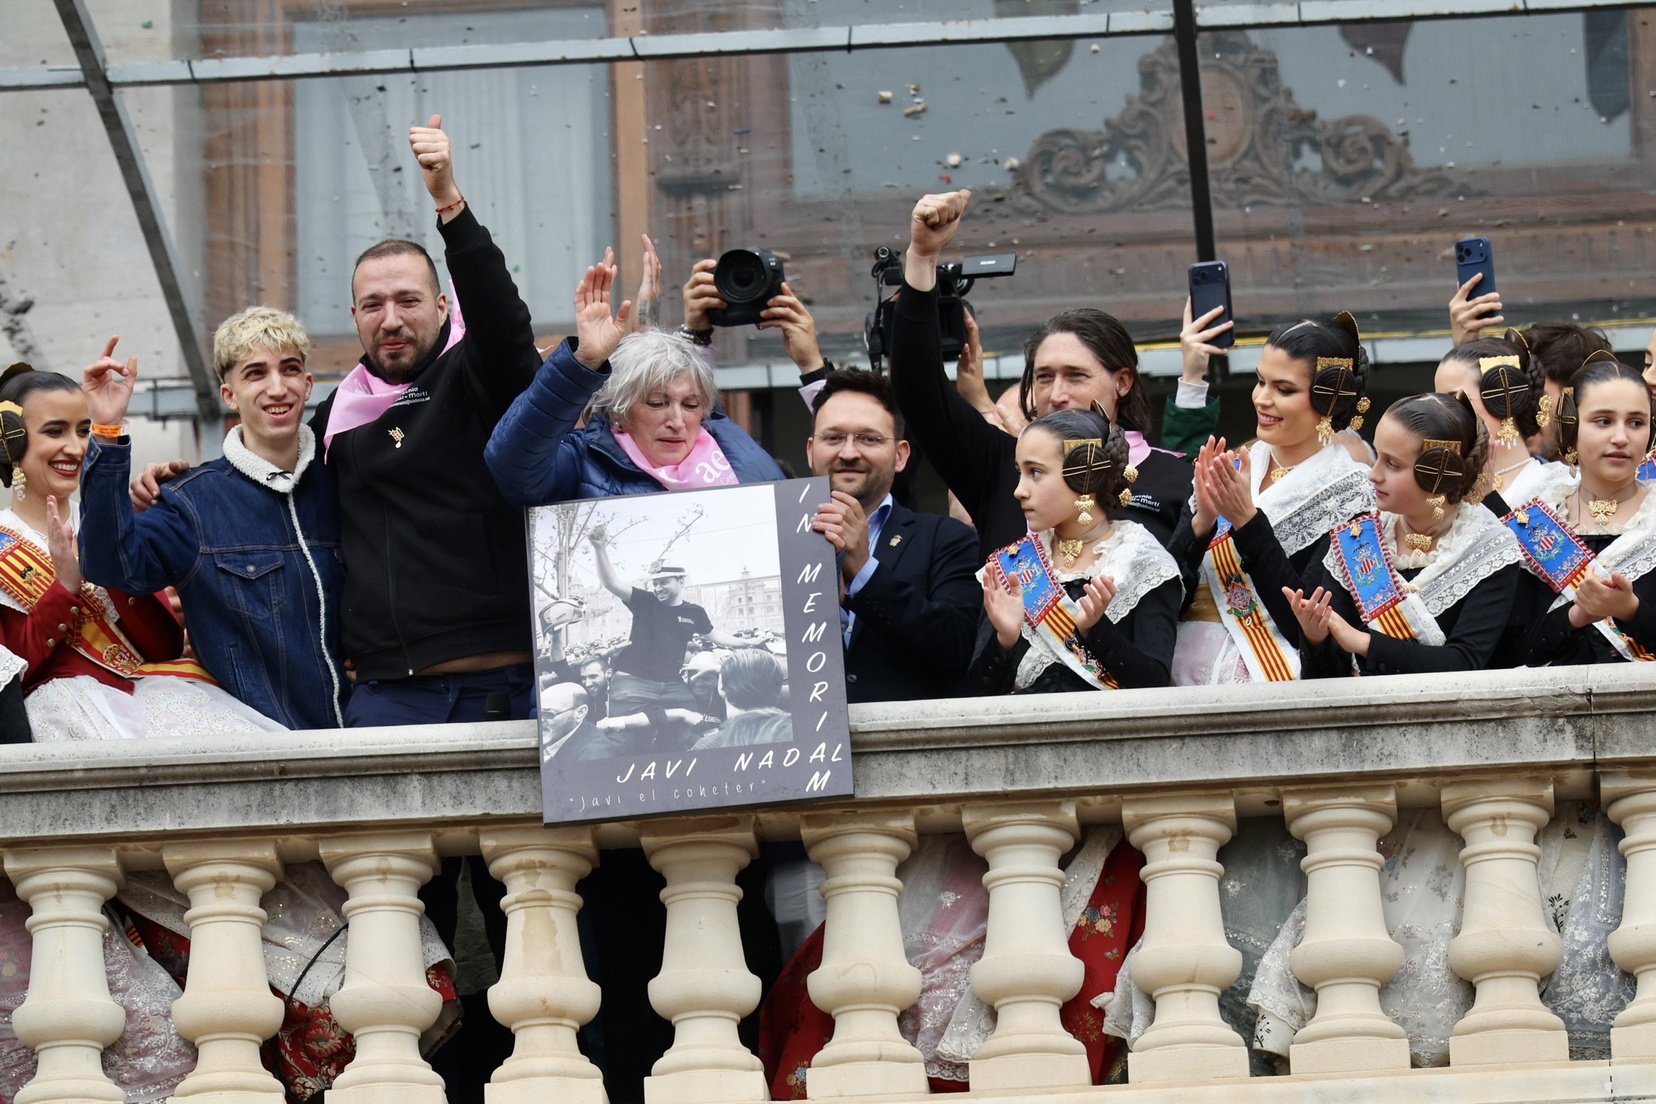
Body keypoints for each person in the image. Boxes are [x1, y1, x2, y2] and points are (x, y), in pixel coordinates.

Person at [314, 114, 543, 727]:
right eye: (373, 305)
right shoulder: (334, 415)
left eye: (409, 301)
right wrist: (173, 486)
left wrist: (448, 200)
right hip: (391, 694)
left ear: (443, 307)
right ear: (355, 316)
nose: (391, 319)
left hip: (508, 686)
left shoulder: (479, 373)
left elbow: (504, 323)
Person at [888, 190, 1207, 559]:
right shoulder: (998, 466)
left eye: (1076, 376)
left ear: (1122, 382)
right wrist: (922, 257)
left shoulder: (1176, 479)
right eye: (1043, 377)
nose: (1057, 394)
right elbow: (917, 388)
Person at [78, 314, 347, 730]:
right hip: (262, 751)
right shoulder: (192, 501)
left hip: (368, 735)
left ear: (308, 384)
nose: (278, 387)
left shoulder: (348, 481)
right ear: (228, 394)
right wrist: (107, 432)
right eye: (255, 374)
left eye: (289, 369)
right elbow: (108, 564)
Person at [1165, 313, 1376, 685]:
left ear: (1328, 399)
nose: (1262, 398)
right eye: (1260, 381)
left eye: (1284, 389)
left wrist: (1247, 523)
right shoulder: (1231, 466)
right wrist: (1199, 525)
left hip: (1270, 675)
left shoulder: (1354, 495)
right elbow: (1166, 598)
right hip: (1180, 668)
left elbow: (1313, 622)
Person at [486, 251, 784, 504]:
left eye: (691, 405)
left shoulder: (738, 452)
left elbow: (796, 549)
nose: (678, 422)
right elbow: (512, 463)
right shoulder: (583, 462)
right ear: (619, 410)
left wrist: (831, 542)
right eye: (657, 403)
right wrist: (584, 362)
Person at [1285, 392, 1524, 676]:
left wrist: (1363, 642)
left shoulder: (1491, 547)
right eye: (1378, 457)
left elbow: (1465, 662)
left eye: (1392, 464)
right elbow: (1328, 679)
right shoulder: (1356, 536)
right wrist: (1315, 637)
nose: (1373, 474)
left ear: (1439, 475)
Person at [971, 406, 1181, 694]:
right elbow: (971, 699)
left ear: (1085, 476)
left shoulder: (1143, 563)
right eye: (1020, 473)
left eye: (1035, 472)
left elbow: (1156, 685)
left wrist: (1096, 631)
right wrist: (1004, 641)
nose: (1019, 490)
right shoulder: (1013, 564)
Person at [805, 369, 980, 702]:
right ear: (811, 449)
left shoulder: (947, 539)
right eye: (834, 438)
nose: (849, 452)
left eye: (869, 439)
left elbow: (960, 649)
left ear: (900, 455)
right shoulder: (775, 538)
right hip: (809, 747)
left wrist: (863, 571)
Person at [1512, 353, 1656, 666]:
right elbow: (1510, 651)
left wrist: (1629, 609)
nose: (1620, 438)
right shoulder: (1533, 521)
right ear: (1571, 425)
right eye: (1603, 421)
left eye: (1636, 422)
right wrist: (1577, 614)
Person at [1433, 329, 1554, 509]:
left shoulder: (1559, 487)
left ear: (1504, 399)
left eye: (1454, 400)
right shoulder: (1440, 490)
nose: (1441, 414)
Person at [690, 649, 791, 750]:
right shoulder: (792, 729)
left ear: (720, 686)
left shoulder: (708, 745)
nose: (699, 683)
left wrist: (729, 671)